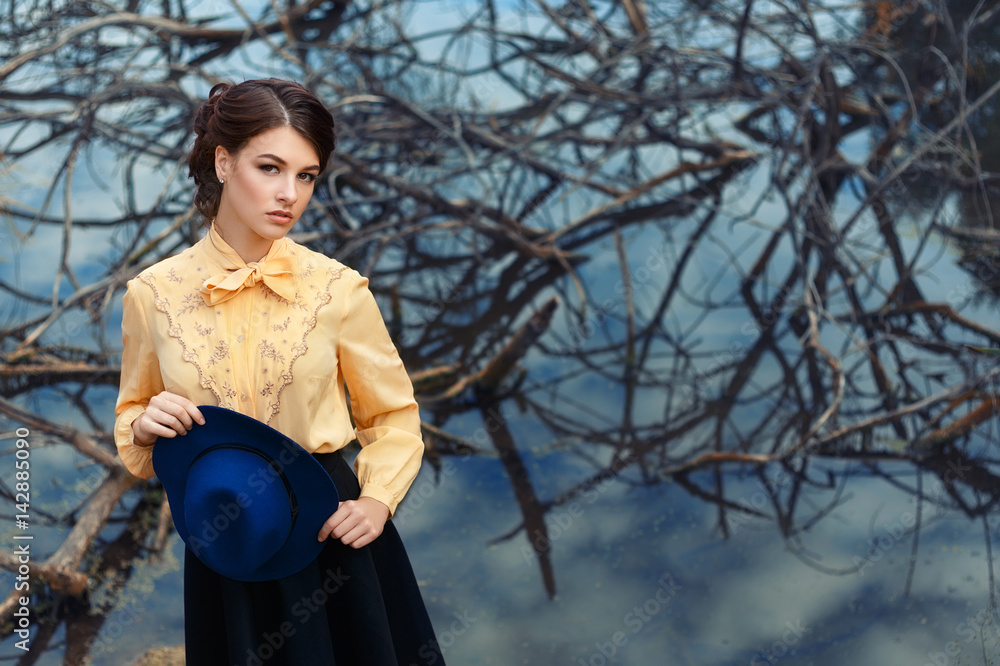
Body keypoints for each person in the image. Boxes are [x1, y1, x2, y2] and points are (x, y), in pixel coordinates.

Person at [114, 78, 445, 665]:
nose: (289, 194)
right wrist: (144, 424)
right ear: (222, 161)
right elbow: (133, 418)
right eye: (270, 168)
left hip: (330, 525)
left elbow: (392, 416)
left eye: (306, 175)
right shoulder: (152, 294)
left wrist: (377, 502)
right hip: (226, 525)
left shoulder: (338, 289)